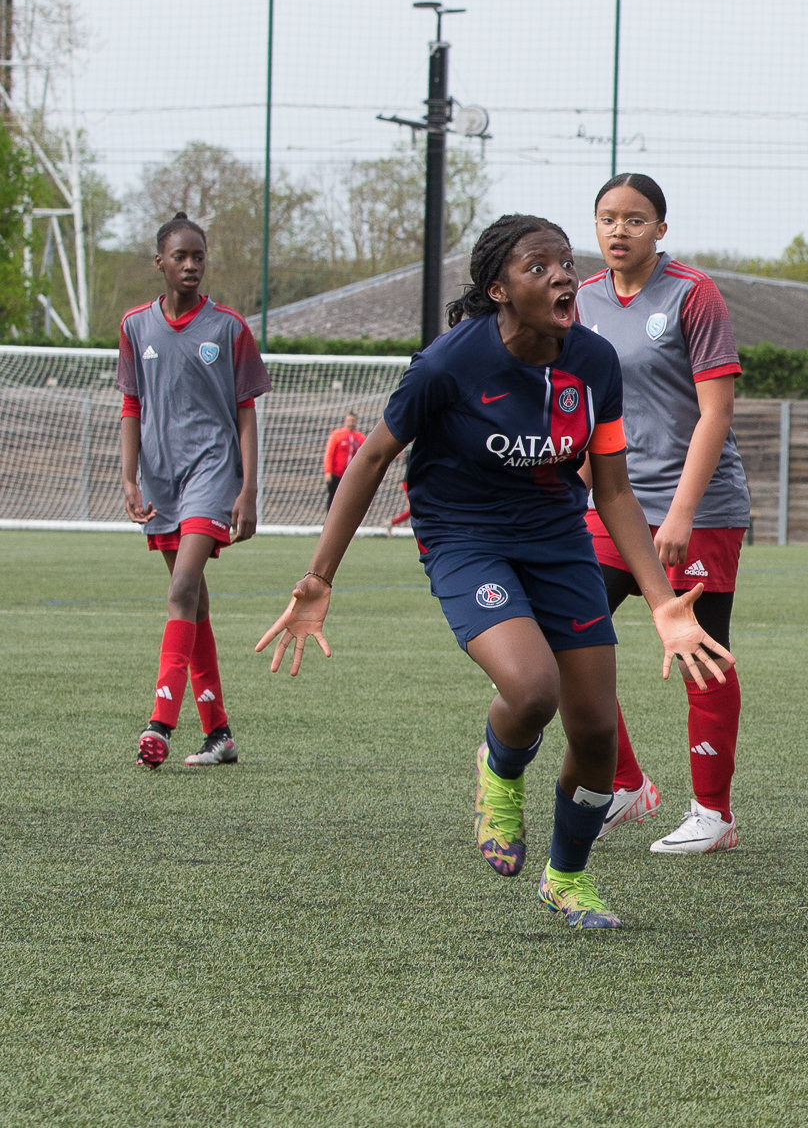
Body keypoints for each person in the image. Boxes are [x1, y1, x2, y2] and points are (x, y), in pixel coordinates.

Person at [254, 214, 732, 931]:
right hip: (465, 539)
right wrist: (320, 576)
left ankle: (566, 880)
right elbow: (373, 457)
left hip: (558, 539)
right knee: (533, 688)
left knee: (596, 732)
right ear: (499, 290)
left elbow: (613, 491)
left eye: (563, 263)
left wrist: (663, 603)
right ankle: (500, 769)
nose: (561, 276)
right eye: (537, 267)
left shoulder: (594, 362)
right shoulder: (449, 364)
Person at [575, 172, 753, 855]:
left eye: (635, 219)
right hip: (613, 503)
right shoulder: (582, 299)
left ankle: (714, 814)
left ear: (660, 229)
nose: (619, 230)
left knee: (699, 652)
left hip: (698, 506)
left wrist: (681, 512)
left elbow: (716, 413)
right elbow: (582, 410)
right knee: (564, 632)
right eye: (608, 218)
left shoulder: (692, 292)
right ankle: (626, 784)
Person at [119, 212, 269, 770]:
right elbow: (131, 404)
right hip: (161, 479)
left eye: (198, 256)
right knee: (196, 602)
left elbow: (245, 412)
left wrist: (248, 488)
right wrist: (129, 477)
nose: (190, 265)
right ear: (159, 261)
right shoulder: (135, 326)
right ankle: (219, 734)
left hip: (212, 471)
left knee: (182, 586)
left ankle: (159, 723)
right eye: (180, 256)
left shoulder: (228, 328)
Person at [322, 412, 366, 510]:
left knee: (348, 501)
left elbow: (371, 450)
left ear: (356, 422)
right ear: (345, 422)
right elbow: (329, 453)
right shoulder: (337, 435)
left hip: (350, 476)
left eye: (353, 421)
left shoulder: (359, 437)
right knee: (333, 499)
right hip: (336, 474)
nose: (351, 423)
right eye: (349, 421)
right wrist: (328, 471)